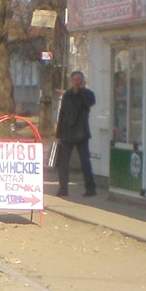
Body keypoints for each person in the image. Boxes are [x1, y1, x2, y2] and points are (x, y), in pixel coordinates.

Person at [55, 69, 97, 197]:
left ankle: (90, 188)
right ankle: (63, 188)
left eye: (79, 80)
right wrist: (59, 134)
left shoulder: (88, 94)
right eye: (75, 80)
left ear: (83, 81)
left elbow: (89, 103)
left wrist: (81, 91)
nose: (77, 82)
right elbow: (62, 114)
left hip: (81, 133)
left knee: (85, 161)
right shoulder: (67, 95)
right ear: (71, 81)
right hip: (67, 133)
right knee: (63, 162)